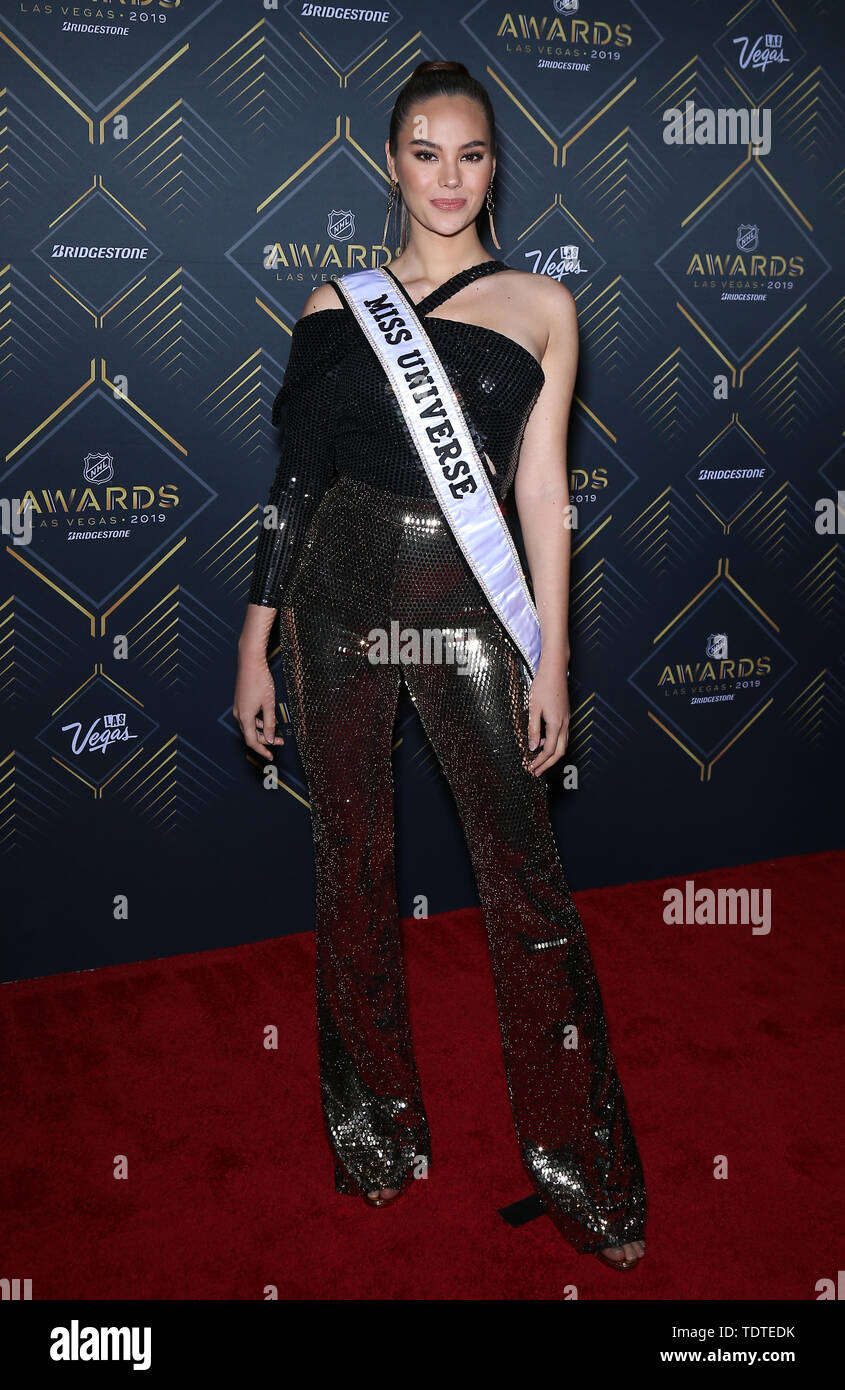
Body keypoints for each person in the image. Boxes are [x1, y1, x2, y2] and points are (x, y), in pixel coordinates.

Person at [234, 60, 647, 1271]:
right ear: (391, 162)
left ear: (493, 167)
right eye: (425, 152)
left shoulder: (539, 306)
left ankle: (580, 1168)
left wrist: (551, 656)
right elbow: (294, 490)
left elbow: (540, 493)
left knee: (524, 890)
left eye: (470, 155)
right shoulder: (332, 304)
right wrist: (255, 637)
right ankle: (375, 1133)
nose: (448, 176)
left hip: (470, 611)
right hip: (333, 607)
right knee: (350, 870)